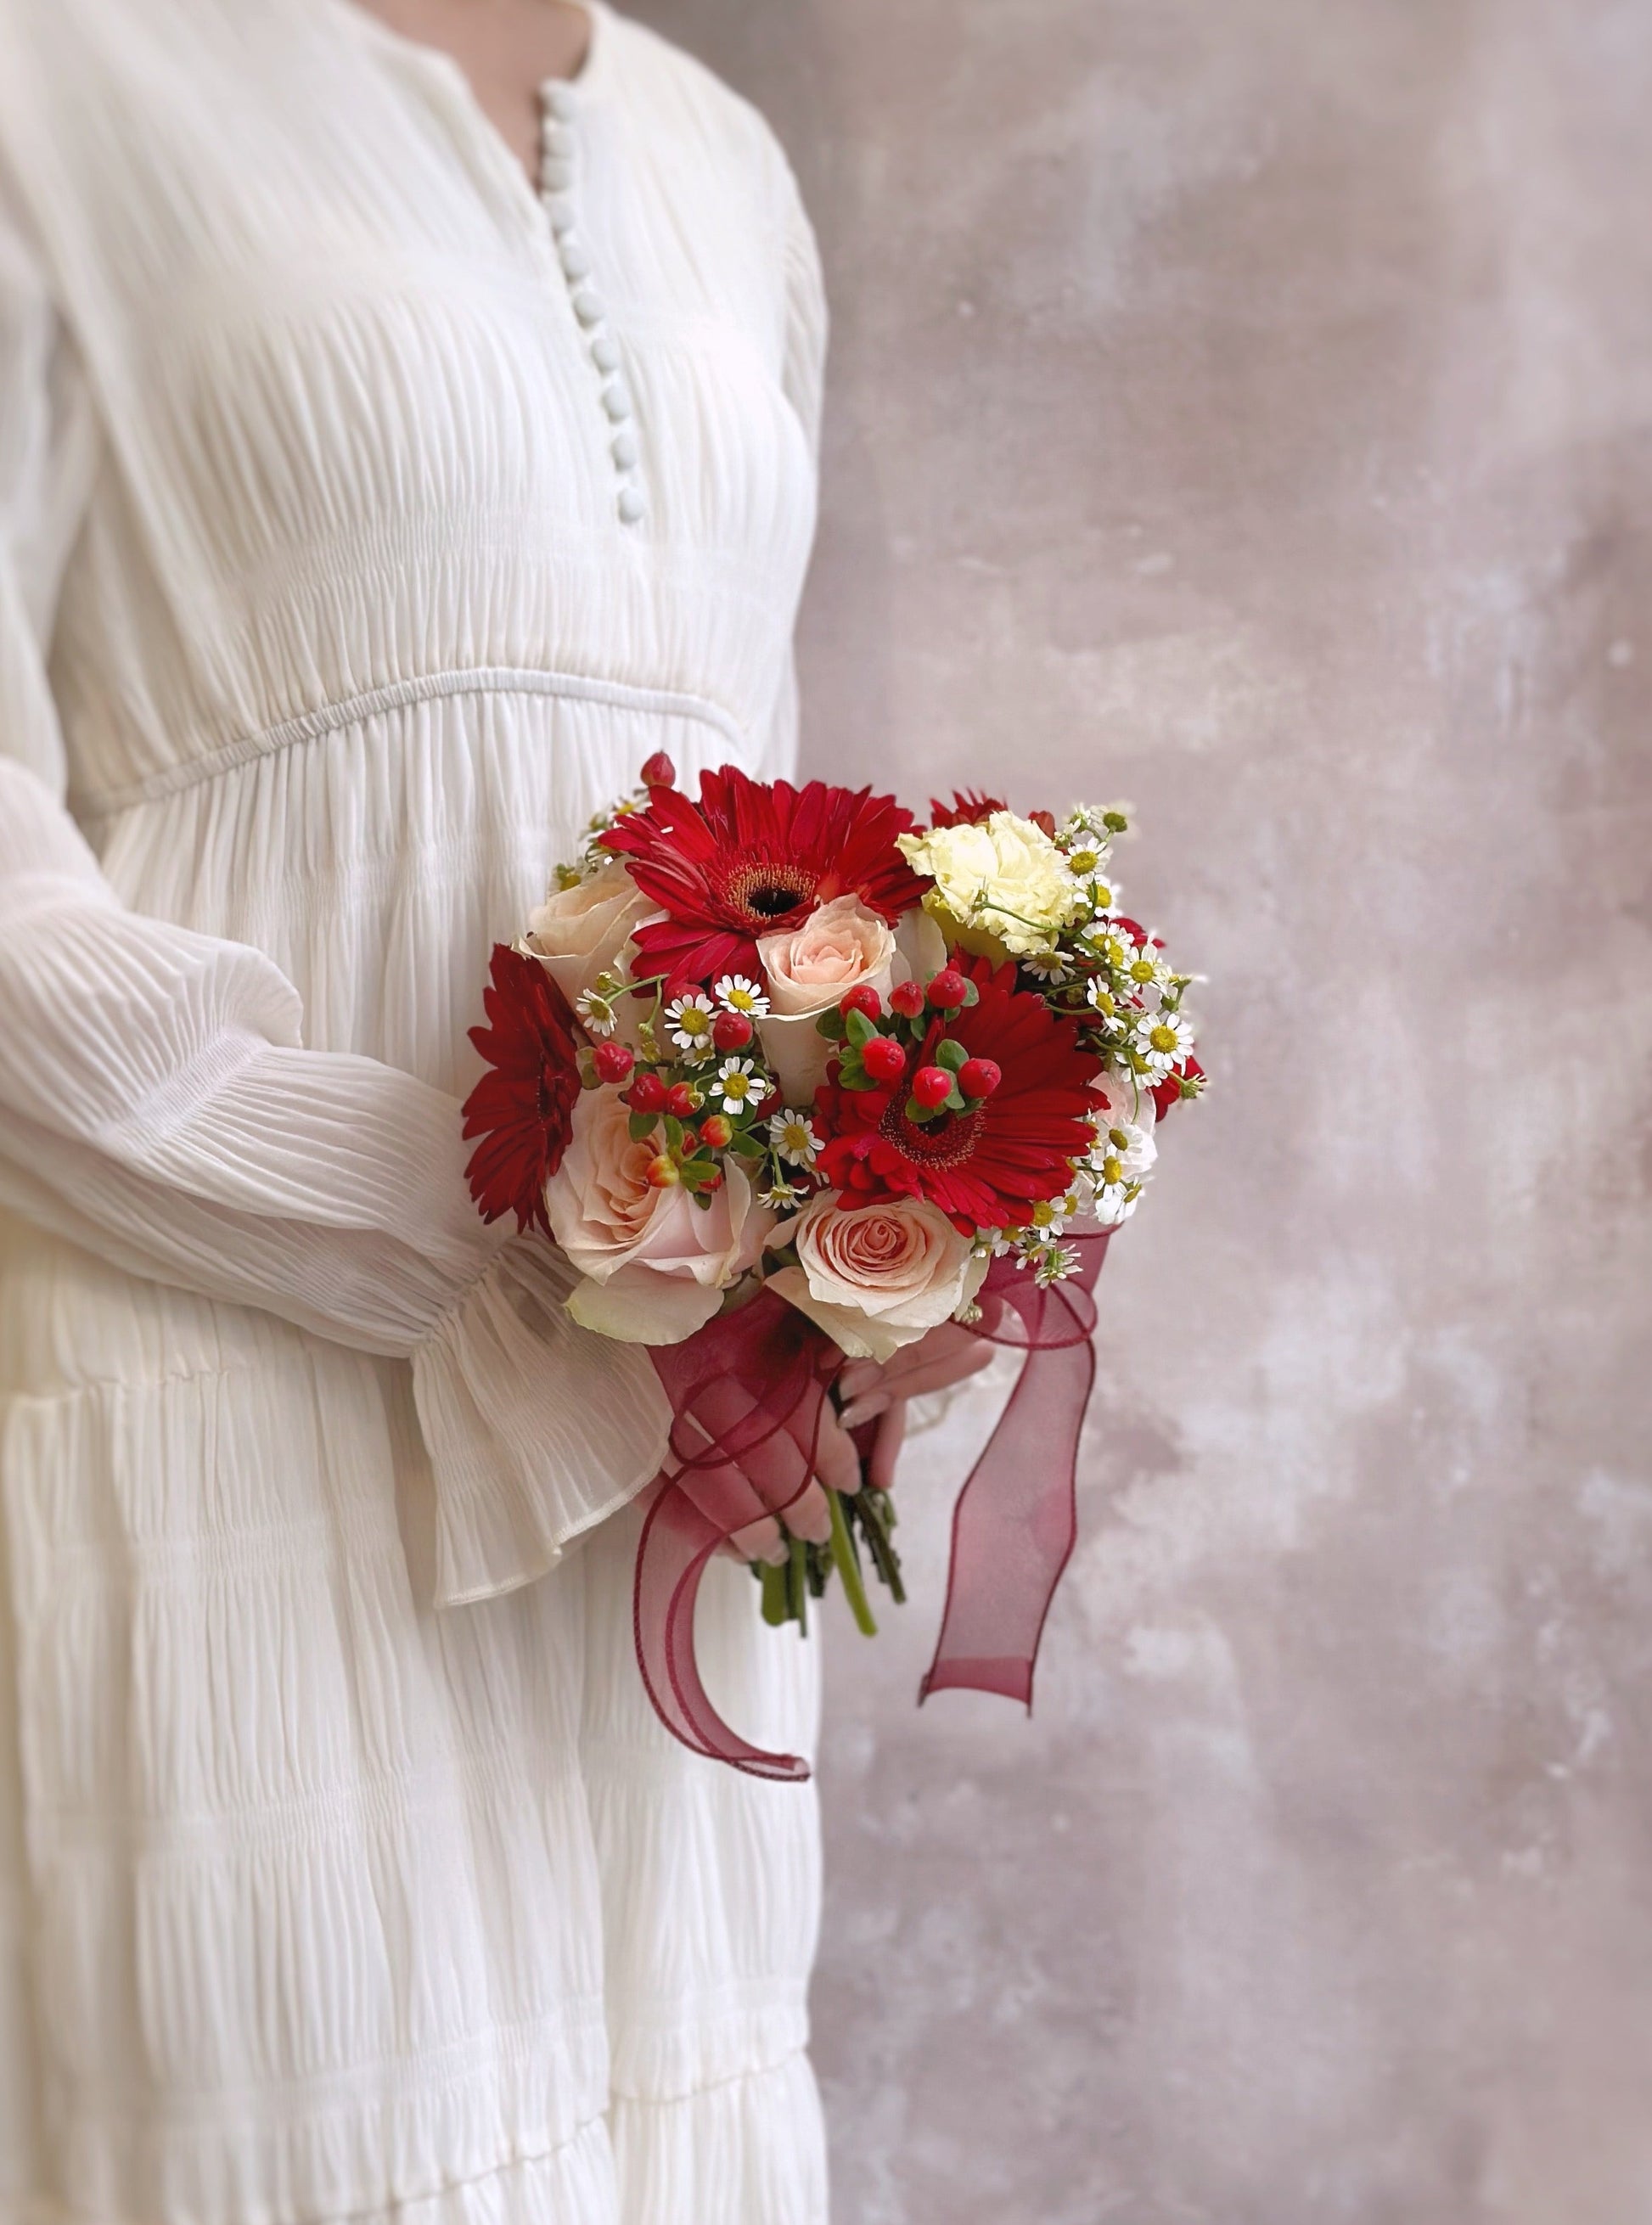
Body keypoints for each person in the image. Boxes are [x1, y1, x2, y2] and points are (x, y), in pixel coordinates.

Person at [0, 2, 990, 2218]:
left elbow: (768, 846)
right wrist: (497, 1223)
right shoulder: (50, 69)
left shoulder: (719, 160)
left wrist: (824, 1239)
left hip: (634, 1464)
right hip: (220, 1392)